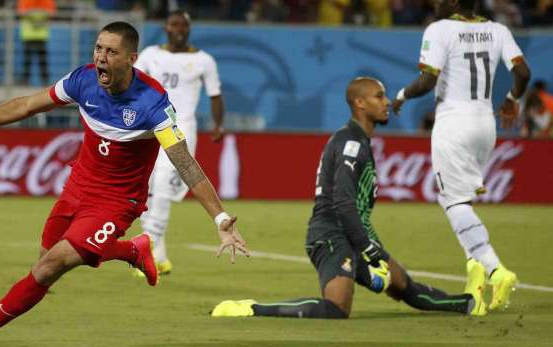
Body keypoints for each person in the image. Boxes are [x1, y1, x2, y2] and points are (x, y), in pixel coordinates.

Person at [0, 21, 249, 347]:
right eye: (98, 49)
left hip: (116, 202)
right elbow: (25, 105)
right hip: (77, 188)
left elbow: (186, 163)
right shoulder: (82, 81)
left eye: (111, 51)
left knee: (49, 266)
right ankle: (130, 250)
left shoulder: (153, 103)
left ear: (131, 58)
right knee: (45, 261)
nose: (101, 58)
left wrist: (221, 220)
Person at [211, 77, 485, 319]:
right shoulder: (350, 143)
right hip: (331, 234)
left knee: (405, 287)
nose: (387, 102)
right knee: (337, 307)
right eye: (379, 96)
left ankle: (469, 303)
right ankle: (251, 309)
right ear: (360, 103)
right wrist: (368, 249)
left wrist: (367, 246)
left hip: (355, 234)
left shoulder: (358, 140)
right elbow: (342, 203)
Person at [391, 0, 530, 311]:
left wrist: (400, 96)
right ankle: (475, 283)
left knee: (453, 202)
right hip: (485, 124)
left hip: (454, 122)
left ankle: (495, 270)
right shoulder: (497, 29)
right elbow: (522, 72)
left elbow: (427, 80)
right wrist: (510, 99)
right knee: (458, 201)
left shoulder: (440, 29)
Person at [133, 10, 225, 275]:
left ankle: (145, 251)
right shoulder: (151, 55)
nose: (179, 29)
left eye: (183, 25)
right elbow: (131, 85)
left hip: (182, 130)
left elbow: (215, 95)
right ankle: (157, 255)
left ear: (189, 28)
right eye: (174, 24)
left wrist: (217, 125)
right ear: (166, 27)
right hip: (149, 129)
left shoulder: (204, 60)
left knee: (163, 189)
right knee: (145, 192)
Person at [17, 0, 55, 86]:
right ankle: (27, 81)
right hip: (29, 35)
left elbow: (52, 13)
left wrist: (30, 15)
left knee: (41, 60)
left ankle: (44, 81)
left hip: (39, 35)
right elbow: (20, 12)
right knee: (28, 60)